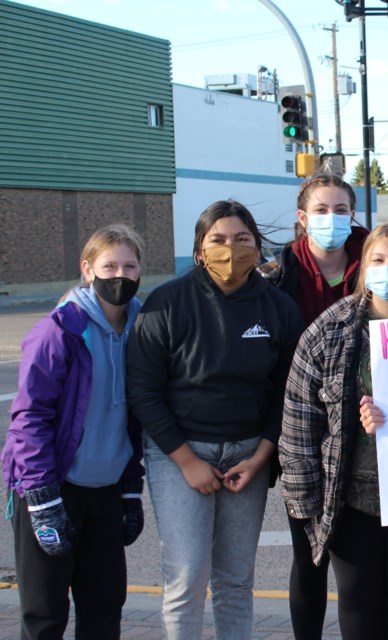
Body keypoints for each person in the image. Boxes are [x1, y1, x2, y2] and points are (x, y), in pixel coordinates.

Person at [127, 200, 304, 639]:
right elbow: (143, 392)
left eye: (242, 239)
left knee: (236, 579)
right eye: (218, 240)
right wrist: (187, 460)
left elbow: (289, 392)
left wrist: (261, 457)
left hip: (249, 453)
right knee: (187, 577)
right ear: (200, 249)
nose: (231, 249)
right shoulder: (166, 303)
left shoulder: (279, 309)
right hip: (180, 453)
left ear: (257, 246)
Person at [280, 223, 388, 639]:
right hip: (351, 498)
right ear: (363, 268)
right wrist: (306, 505)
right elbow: (299, 420)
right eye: (380, 260)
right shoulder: (328, 330)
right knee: (357, 600)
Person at [3, 224, 146, 639]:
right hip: (52, 484)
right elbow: (29, 417)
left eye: (129, 265)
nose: (119, 274)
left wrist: (130, 488)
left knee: (104, 608)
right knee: (45, 612)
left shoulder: (144, 328)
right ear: (88, 269)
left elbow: (134, 420)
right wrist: (42, 498)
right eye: (109, 265)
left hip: (105, 489)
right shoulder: (60, 330)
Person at [258, 173, 369, 639]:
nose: (332, 218)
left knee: (357, 560)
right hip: (302, 429)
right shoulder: (277, 276)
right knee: (309, 557)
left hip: (364, 431)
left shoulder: (374, 262)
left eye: (341, 209)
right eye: (321, 211)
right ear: (302, 219)